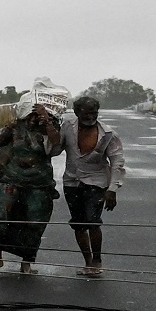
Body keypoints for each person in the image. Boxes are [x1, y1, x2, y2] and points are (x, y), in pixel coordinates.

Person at [0, 81, 68, 275]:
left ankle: (27, 263)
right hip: (12, 180)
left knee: (34, 222)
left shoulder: (51, 128)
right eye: (31, 115)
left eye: (36, 115)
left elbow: (56, 144)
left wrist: (46, 120)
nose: (33, 119)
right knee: (3, 216)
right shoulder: (14, 128)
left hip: (39, 184)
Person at [59, 96, 126, 277]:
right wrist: (49, 127)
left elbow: (117, 162)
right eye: (86, 113)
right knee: (79, 224)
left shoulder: (108, 134)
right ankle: (87, 261)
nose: (91, 116)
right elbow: (54, 149)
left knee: (93, 221)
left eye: (94, 113)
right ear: (76, 112)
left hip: (96, 182)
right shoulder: (67, 127)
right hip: (71, 182)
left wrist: (112, 189)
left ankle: (97, 260)